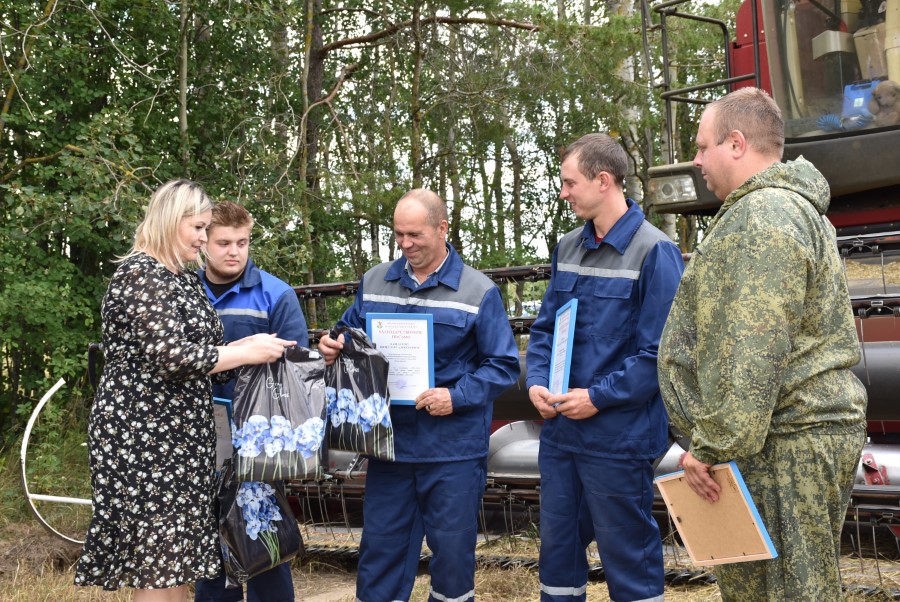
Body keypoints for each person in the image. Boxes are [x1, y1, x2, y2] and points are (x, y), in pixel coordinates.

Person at [657, 87, 867, 600]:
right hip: (777, 437)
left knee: (789, 591)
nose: (696, 160)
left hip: (783, 443)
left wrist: (711, 446)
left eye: (702, 146)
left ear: (735, 143)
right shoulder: (779, 210)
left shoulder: (765, 215)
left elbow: (753, 349)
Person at [74, 180, 296, 602]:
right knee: (157, 564)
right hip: (144, 438)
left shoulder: (181, 278)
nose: (202, 238)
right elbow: (172, 357)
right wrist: (243, 352)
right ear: (169, 221)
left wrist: (247, 346)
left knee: (176, 563)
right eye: (197, 228)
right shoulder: (140, 274)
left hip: (182, 441)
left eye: (205, 228)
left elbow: (202, 353)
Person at [317, 188, 520, 602]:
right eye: (399, 234)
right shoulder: (375, 281)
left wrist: (456, 396)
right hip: (390, 446)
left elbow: (503, 365)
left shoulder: (478, 291)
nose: (405, 244)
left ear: (442, 229)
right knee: (381, 553)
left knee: (452, 558)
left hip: (452, 450)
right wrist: (332, 344)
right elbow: (347, 332)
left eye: (415, 234)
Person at [525, 133, 685, 602]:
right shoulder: (567, 247)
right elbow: (545, 329)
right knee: (557, 553)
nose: (563, 193)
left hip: (619, 438)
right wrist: (536, 382)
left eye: (569, 183)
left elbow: (659, 356)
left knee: (627, 556)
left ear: (603, 180)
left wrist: (597, 397)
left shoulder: (655, 252)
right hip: (561, 435)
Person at [194, 201, 307, 602]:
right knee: (209, 551)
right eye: (224, 243)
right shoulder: (184, 292)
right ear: (203, 242)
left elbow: (296, 374)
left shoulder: (276, 294)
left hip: (259, 441)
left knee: (264, 547)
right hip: (197, 438)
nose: (234, 252)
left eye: (242, 242)